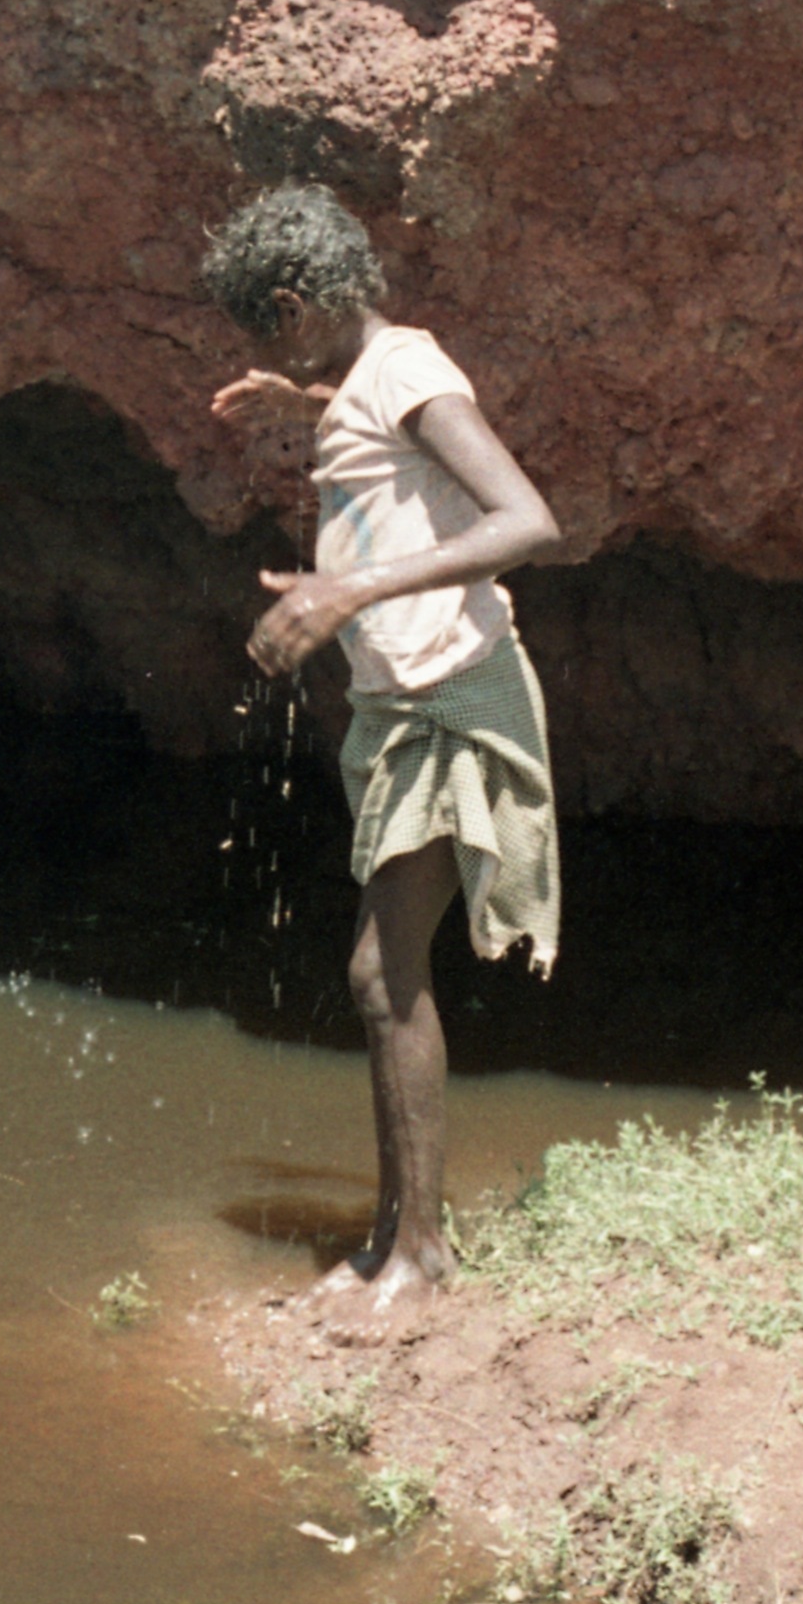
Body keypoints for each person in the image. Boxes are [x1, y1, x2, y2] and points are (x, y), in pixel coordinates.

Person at [203, 182, 561, 1339]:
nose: (263, 357)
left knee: (379, 972)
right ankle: (391, 1241)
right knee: (380, 970)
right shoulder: (367, 377)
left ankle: (418, 1254)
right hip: (398, 701)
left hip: (452, 695)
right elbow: (394, 461)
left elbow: (525, 520)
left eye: (264, 333)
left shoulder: (406, 369)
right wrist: (305, 399)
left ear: (293, 304)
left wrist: (348, 586)